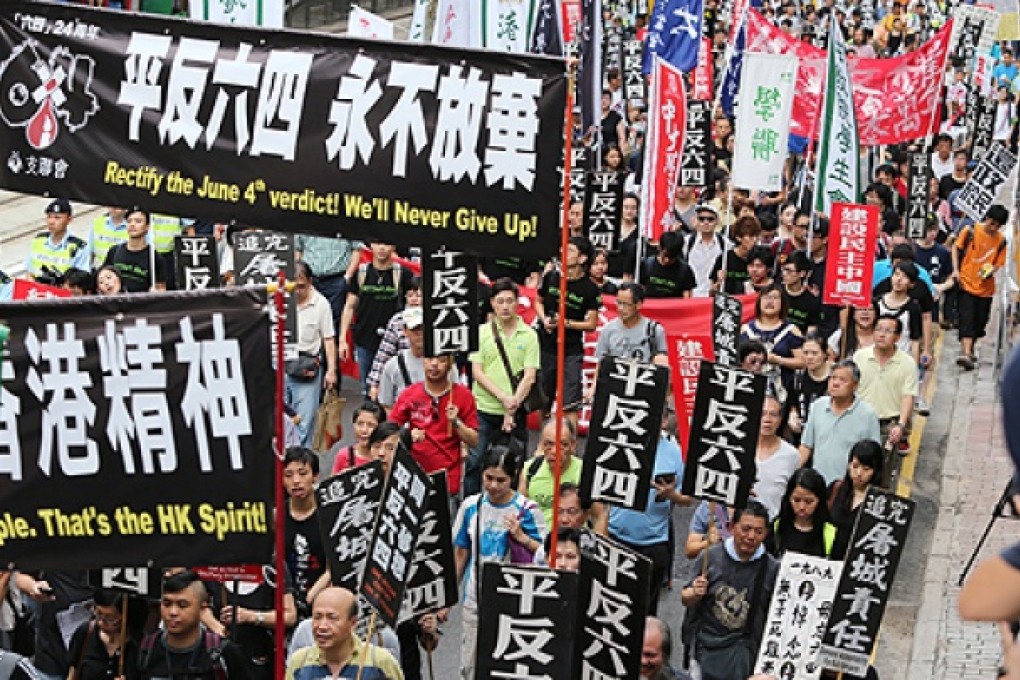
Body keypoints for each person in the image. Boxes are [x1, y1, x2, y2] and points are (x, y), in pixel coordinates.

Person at [452, 449, 546, 680]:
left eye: (501, 480)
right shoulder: (470, 506)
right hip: (475, 600)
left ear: (513, 477)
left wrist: (523, 538)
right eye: (488, 478)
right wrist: (446, 598)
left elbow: (546, 556)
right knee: (469, 667)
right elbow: (462, 552)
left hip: (513, 603)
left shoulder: (528, 511)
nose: (493, 485)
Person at [681, 500, 778, 680]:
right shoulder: (710, 557)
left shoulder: (771, 568)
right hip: (707, 646)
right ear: (732, 526)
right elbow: (685, 598)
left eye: (759, 532)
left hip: (743, 654)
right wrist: (695, 592)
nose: (751, 537)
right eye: (746, 529)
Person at [608, 410, 690, 615]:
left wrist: (672, 495)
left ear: (664, 419)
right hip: (616, 536)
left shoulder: (673, 452)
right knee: (611, 604)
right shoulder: (620, 441)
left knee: (646, 609)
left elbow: (687, 499)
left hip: (654, 541)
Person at [465, 278, 540, 497]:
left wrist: (512, 406)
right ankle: (470, 506)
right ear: (492, 303)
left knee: (514, 465)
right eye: (500, 301)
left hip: (516, 412)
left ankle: (511, 509)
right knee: (475, 462)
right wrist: (504, 399)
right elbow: (478, 372)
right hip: (483, 409)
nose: (505, 306)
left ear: (518, 303)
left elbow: (530, 376)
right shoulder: (481, 332)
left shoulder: (529, 335)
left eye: (510, 301)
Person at [389, 353, 479, 497]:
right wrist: (408, 436)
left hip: (447, 481)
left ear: (450, 364)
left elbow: (474, 440)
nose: (434, 364)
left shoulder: (464, 396)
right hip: (414, 477)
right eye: (430, 359)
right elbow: (388, 434)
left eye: (441, 360)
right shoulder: (409, 394)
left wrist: (456, 422)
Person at [534, 236, 600, 419]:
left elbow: (592, 324)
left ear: (582, 258)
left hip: (571, 350)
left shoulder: (589, 289)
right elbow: (538, 302)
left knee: (570, 402)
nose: (564, 253)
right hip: (546, 346)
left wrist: (567, 323)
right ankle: (543, 441)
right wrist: (544, 319)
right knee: (544, 398)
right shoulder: (551, 277)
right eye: (564, 249)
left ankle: (568, 443)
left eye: (570, 251)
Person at [137, 570, 247, 679]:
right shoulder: (146, 649)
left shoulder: (223, 652)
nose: (173, 612)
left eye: (182, 605)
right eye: (167, 604)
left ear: (202, 608)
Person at [338, 239, 413, 395]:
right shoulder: (361, 273)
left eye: (386, 244)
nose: (382, 248)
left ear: (393, 246)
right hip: (365, 339)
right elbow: (349, 306)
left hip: (394, 342)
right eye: (378, 243)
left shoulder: (403, 274)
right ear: (371, 245)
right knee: (367, 389)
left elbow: (413, 305)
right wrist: (343, 339)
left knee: (395, 389)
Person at [854, 316, 918, 487]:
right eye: (879, 329)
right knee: (855, 468)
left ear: (897, 337)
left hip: (887, 426)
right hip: (859, 421)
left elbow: (908, 396)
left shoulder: (907, 363)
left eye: (888, 331)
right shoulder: (860, 357)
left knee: (882, 472)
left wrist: (901, 425)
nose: (882, 334)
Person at [286, 586, 403, 680]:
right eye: (317, 617)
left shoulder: (380, 661)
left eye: (332, 618)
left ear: (352, 623)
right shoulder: (299, 662)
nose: (322, 626)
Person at [212, 565, 297, 680]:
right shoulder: (213, 561)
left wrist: (252, 616)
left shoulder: (272, 565)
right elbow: (199, 602)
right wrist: (215, 626)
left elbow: (290, 616)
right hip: (219, 654)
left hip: (260, 655)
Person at [286, 261, 338, 448]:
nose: (297, 291)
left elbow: (329, 339)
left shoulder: (321, 304)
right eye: (294, 286)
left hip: (306, 369)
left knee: (304, 424)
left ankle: (303, 466)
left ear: (310, 282)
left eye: (302, 286)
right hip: (281, 366)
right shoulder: (280, 299)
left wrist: (332, 371)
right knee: (280, 421)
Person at [953, 204, 1008, 370]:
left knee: (980, 322)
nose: (993, 228)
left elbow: (998, 263)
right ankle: (966, 353)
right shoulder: (970, 231)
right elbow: (956, 248)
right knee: (967, 320)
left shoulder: (1001, 241)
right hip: (966, 283)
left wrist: (991, 271)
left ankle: (970, 349)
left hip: (986, 289)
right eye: (992, 223)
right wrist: (956, 271)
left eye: (997, 225)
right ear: (987, 218)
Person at [14, 570, 92, 680]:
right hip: (52, 647)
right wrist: (32, 586)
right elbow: (18, 576)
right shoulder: (50, 554)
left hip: (93, 649)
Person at [283, 447, 329, 622]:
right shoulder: (277, 516)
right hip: (286, 603)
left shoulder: (328, 514)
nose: (296, 481)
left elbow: (333, 569)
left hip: (321, 601)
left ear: (315, 476)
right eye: (288, 475)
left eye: (303, 474)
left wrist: (309, 598)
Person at [740, 284, 805, 400]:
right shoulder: (745, 330)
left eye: (774, 298)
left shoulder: (791, 330)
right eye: (765, 297)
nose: (770, 301)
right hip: (748, 388)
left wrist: (778, 360)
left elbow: (803, 362)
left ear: (782, 303)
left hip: (780, 391)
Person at [67, 588, 147, 680]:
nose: (101, 622)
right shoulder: (86, 632)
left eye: (110, 618)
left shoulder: (141, 646)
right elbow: (72, 673)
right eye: (98, 613)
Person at [518, 418, 584, 528]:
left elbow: (599, 517)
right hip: (537, 541)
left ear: (573, 445)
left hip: (571, 542)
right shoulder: (530, 469)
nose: (554, 451)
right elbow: (520, 512)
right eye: (549, 444)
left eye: (563, 445)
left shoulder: (585, 472)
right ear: (541, 445)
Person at [366, 278, 423, 402]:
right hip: (403, 377)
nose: (414, 299)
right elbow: (384, 353)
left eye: (418, 295)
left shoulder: (437, 318)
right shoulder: (397, 320)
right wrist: (374, 384)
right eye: (410, 295)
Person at [593, 282, 669, 373]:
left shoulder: (655, 330)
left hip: (644, 381)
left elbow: (663, 368)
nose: (620, 308)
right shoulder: (608, 329)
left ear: (638, 304)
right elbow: (600, 365)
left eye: (626, 304)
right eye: (618, 303)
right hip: (615, 382)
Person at [827, 440, 885, 560]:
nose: (859, 473)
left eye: (866, 469)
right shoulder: (836, 489)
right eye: (855, 466)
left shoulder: (881, 503)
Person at [768, 468, 836, 558]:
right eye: (796, 500)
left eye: (808, 501)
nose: (802, 507)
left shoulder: (830, 532)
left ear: (819, 501)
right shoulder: (776, 527)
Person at [753, 395, 801, 519]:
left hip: (774, 525)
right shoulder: (741, 448)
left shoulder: (791, 455)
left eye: (773, 415)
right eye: (763, 413)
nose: (767, 419)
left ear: (780, 420)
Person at [24, 199, 90, 282]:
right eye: (49, 217)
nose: (51, 222)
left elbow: (81, 282)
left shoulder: (79, 248)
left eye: (57, 217)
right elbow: (29, 273)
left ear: (69, 220)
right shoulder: (39, 240)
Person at [103, 208, 166, 292]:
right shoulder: (114, 251)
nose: (132, 224)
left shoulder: (155, 258)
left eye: (138, 221)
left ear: (147, 226)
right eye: (129, 221)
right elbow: (103, 278)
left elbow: (161, 290)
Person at [376, 307, 426, 409]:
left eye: (422, 328)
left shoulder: (443, 363)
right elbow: (386, 405)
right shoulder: (393, 365)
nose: (419, 333)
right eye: (414, 329)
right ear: (405, 331)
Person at [330, 401, 386, 474]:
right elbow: (331, 483)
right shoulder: (344, 456)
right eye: (360, 424)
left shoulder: (385, 457)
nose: (364, 430)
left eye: (371, 425)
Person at [683, 204, 728, 297]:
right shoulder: (687, 242)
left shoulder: (725, 243)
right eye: (701, 219)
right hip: (692, 296)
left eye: (710, 219)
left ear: (717, 221)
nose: (706, 222)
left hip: (714, 296)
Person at [712, 214, 761, 294]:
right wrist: (719, 282)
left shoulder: (761, 257)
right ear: (738, 237)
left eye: (756, 236)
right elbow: (712, 293)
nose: (754, 240)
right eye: (750, 236)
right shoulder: (725, 258)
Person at [639, 231, 696, 299]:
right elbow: (641, 292)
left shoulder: (684, 270)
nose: (667, 260)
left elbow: (687, 298)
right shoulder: (647, 265)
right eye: (665, 255)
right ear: (659, 248)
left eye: (672, 257)